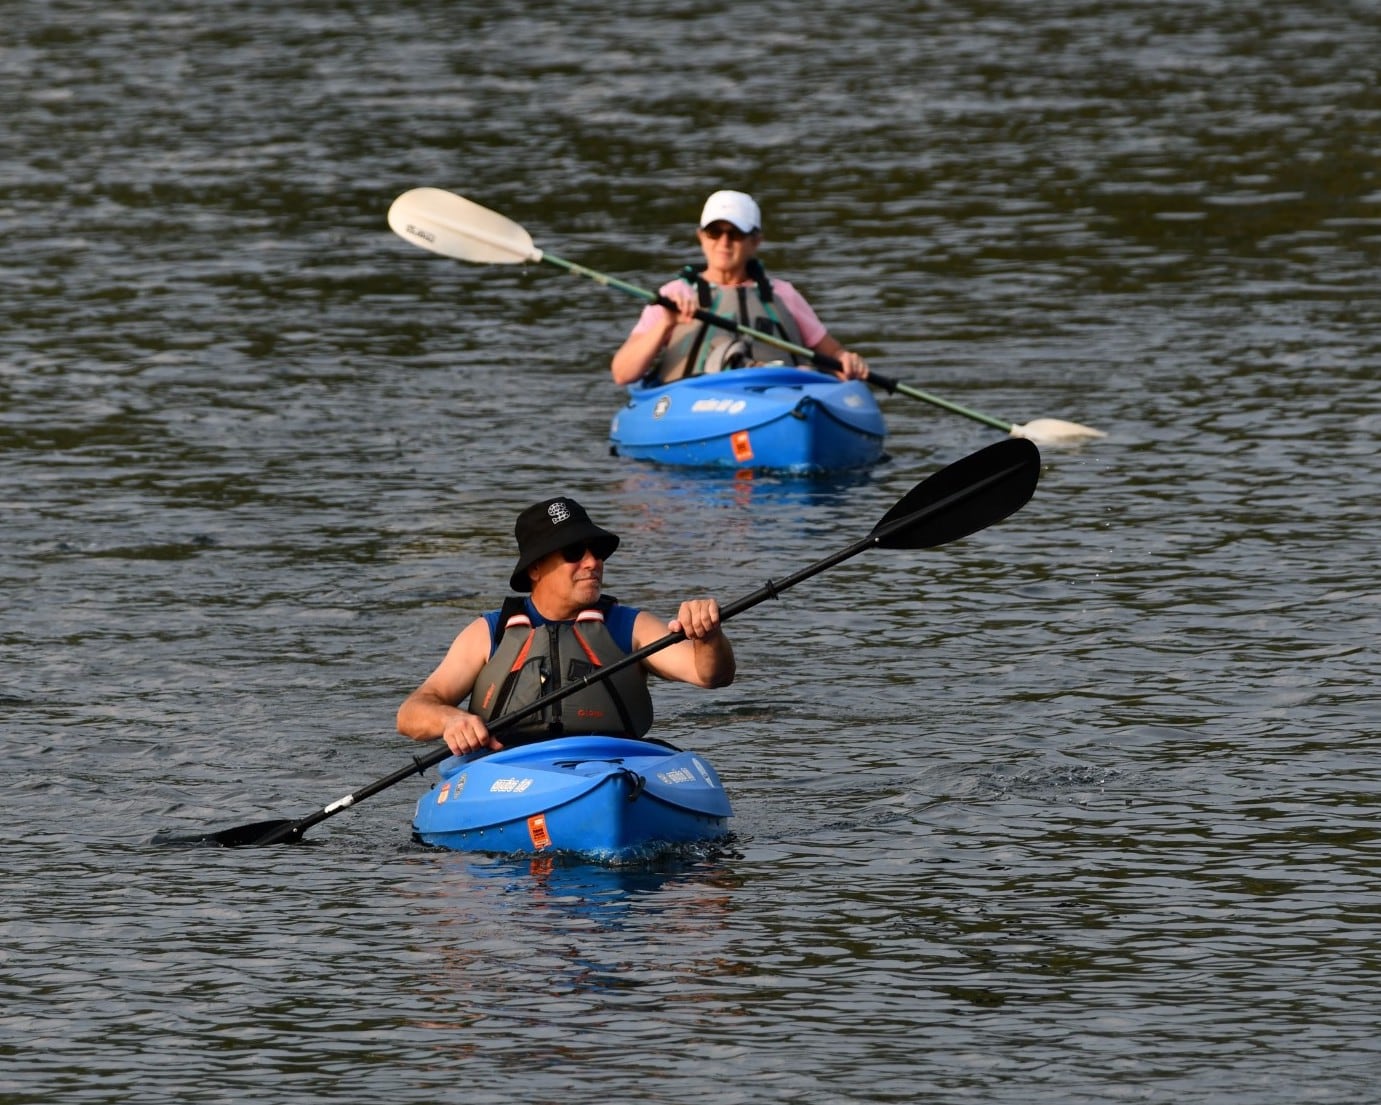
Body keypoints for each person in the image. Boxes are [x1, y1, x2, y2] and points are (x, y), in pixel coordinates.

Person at [397, 496, 736, 756]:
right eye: (574, 552)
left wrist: (708, 636)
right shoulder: (488, 633)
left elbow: (710, 675)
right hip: (512, 772)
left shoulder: (631, 627)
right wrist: (450, 720)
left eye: (597, 551)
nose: (592, 563)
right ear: (535, 569)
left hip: (613, 769)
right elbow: (411, 713)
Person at [611, 189, 870, 386]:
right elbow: (622, 373)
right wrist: (666, 324)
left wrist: (846, 361)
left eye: (734, 234)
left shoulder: (783, 295)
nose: (724, 242)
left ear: (755, 241)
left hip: (778, 400)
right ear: (701, 237)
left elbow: (833, 354)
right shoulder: (672, 295)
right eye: (714, 232)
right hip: (696, 403)